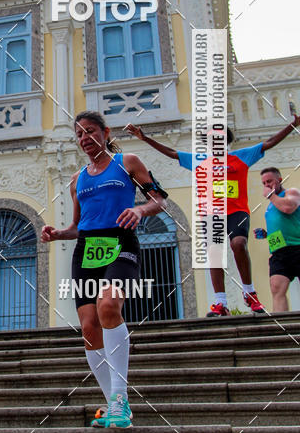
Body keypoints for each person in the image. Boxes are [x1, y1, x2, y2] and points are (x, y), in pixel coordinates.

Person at [41, 111, 167, 429]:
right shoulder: (77, 180)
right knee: (88, 326)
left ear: (104, 132)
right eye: (80, 134)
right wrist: (58, 233)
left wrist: (140, 209)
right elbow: (76, 225)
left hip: (120, 242)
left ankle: (120, 399)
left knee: (109, 306)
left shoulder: (127, 162)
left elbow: (159, 200)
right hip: (86, 250)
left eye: (91, 131)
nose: (85, 138)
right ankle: (111, 401)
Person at [125, 116, 300, 316]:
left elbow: (269, 143)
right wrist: (144, 138)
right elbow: (172, 153)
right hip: (211, 213)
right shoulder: (199, 161)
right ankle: (220, 302)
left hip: (237, 211)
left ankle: (250, 293)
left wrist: (292, 125)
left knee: (238, 243)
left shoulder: (242, 156)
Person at [254, 168, 300, 312]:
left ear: (279, 180)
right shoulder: (271, 205)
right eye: (264, 183)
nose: (267, 185)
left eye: (270, 181)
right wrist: (267, 234)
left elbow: (288, 207)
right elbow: (284, 224)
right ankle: (283, 328)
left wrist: (271, 196)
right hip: (279, 252)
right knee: (276, 287)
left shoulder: (290, 193)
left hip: (297, 247)